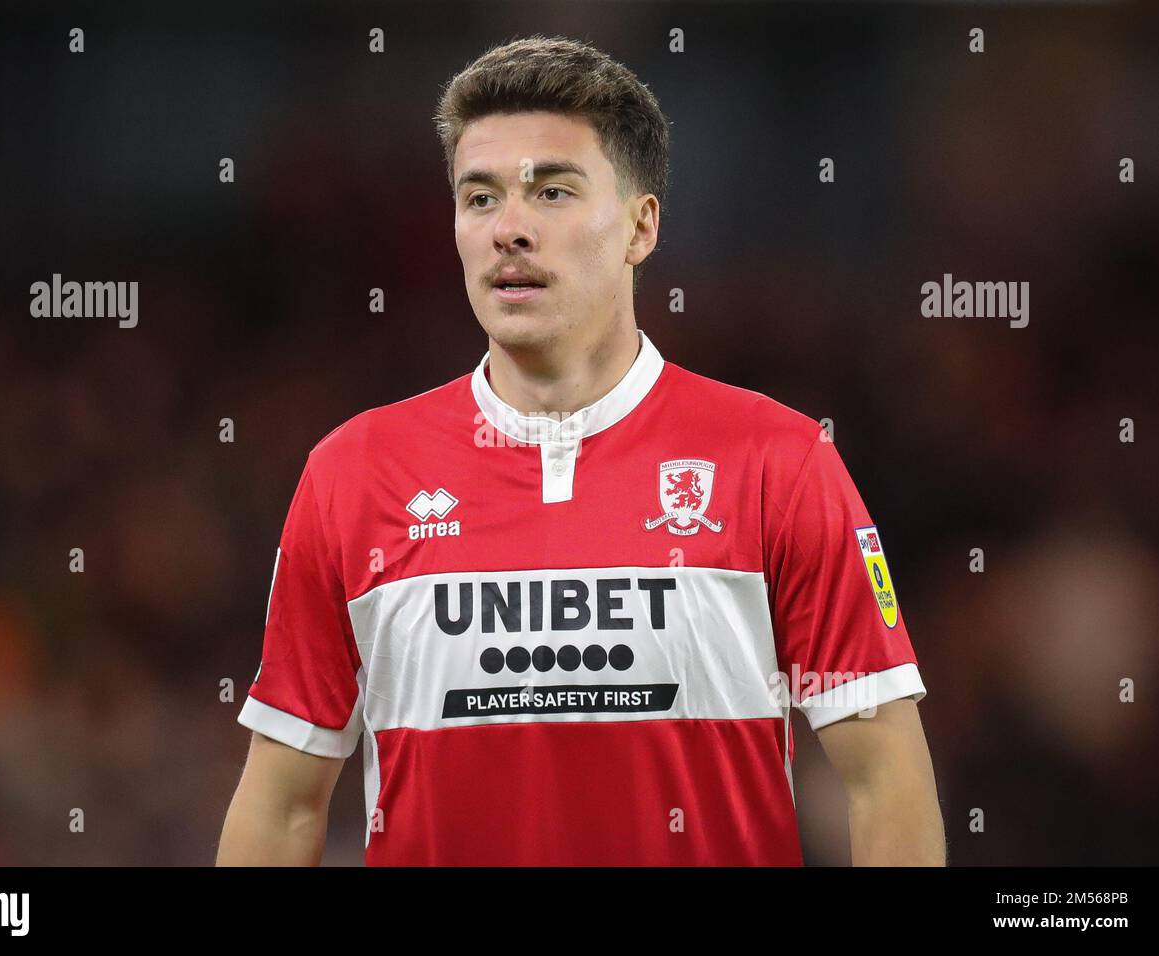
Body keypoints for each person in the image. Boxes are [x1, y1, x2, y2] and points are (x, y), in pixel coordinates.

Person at [217, 35, 945, 866]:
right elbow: (280, 810)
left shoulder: (779, 462)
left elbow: (884, 775)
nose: (509, 230)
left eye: (552, 192)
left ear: (641, 226)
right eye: (479, 198)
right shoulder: (354, 473)